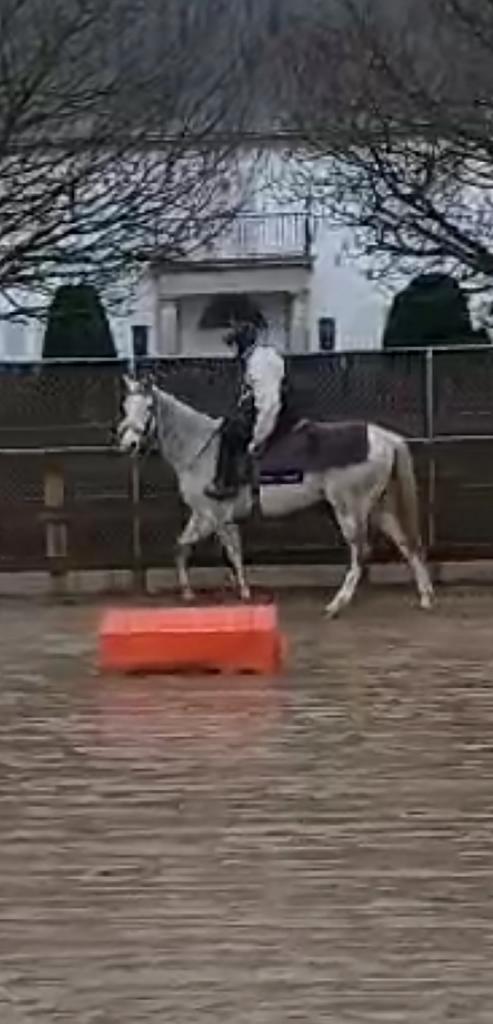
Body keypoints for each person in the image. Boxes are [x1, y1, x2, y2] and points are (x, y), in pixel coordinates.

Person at [205, 318, 295, 501]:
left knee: (229, 434)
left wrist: (258, 437)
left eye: (234, 346)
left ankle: (226, 484)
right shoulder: (262, 356)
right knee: (229, 423)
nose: (233, 351)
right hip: (268, 408)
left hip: (273, 413)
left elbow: (268, 403)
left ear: (241, 345)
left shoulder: (258, 363)